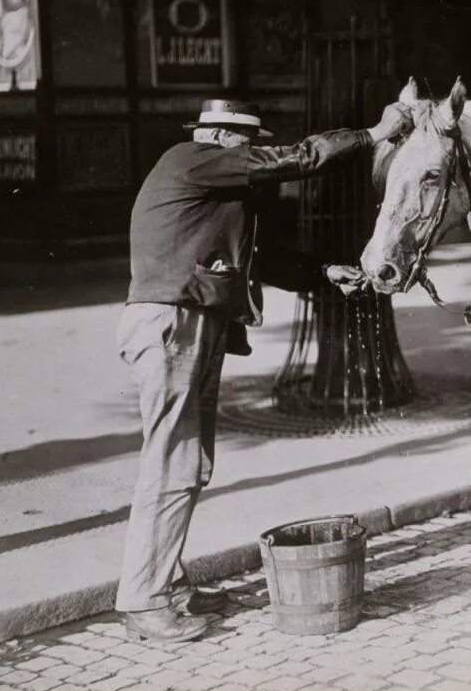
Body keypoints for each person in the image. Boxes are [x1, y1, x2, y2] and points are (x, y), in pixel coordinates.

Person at [115, 96, 410, 642]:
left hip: (191, 325)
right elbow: (296, 157)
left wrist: (325, 274)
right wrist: (372, 134)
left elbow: (268, 259)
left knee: (188, 465)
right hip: (172, 323)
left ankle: (165, 583)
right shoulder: (191, 157)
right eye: (249, 145)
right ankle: (144, 600)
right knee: (172, 465)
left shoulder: (219, 193)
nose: (254, 155)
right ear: (224, 137)